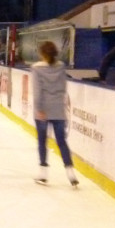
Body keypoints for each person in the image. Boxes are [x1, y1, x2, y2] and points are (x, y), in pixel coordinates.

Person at [31, 40, 79, 187]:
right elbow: (63, 88)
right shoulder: (61, 67)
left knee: (42, 142)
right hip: (58, 109)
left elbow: (38, 91)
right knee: (61, 142)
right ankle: (70, 173)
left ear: (42, 53)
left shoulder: (37, 68)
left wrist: (39, 109)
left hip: (43, 110)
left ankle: (43, 173)